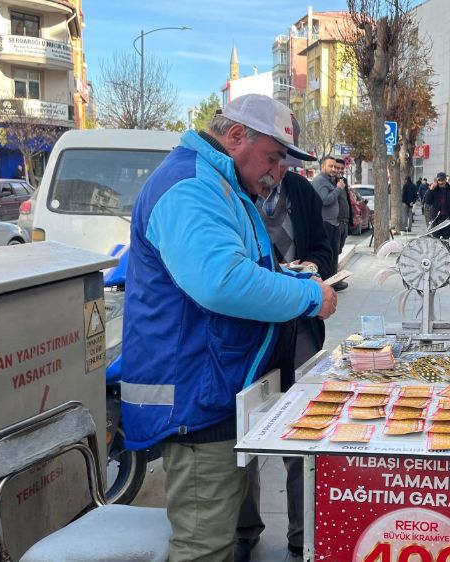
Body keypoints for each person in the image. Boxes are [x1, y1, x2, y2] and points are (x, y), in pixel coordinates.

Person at [122, 93, 338, 562]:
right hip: (198, 404)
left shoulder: (221, 186)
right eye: (275, 157)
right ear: (236, 136)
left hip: (217, 392)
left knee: (216, 537)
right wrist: (307, 297)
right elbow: (221, 282)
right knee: (205, 546)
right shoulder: (190, 186)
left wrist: (292, 279)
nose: (280, 171)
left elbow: (245, 268)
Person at [237, 162, 334, 562]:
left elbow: (325, 251)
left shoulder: (302, 192)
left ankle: (300, 533)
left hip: (298, 327)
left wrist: (311, 269)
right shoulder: (233, 191)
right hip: (246, 332)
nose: (275, 168)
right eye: (272, 155)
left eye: (282, 158)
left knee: (301, 431)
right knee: (242, 429)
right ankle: (243, 530)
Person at [312, 156, 342, 278]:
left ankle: (333, 280)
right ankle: (328, 280)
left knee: (334, 253)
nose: (334, 169)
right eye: (331, 166)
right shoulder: (320, 181)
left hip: (333, 223)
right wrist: (338, 189)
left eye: (335, 166)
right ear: (322, 166)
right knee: (328, 254)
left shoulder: (329, 180)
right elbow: (324, 200)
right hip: (326, 223)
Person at [423, 172, 450, 237]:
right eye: (439, 180)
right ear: (437, 181)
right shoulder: (433, 190)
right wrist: (431, 190)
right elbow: (427, 201)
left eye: (443, 180)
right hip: (436, 218)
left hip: (447, 218)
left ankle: (445, 247)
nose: (441, 182)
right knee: (436, 238)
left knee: (446, 238)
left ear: (445, 180)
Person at [333, 172, 350, 291]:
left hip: (344, 222)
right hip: (336, 222)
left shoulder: (343, 186)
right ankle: (334, 280)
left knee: (338, 251)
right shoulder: (334, 186)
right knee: (334, 252)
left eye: (341, 169)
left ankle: (336, 277)